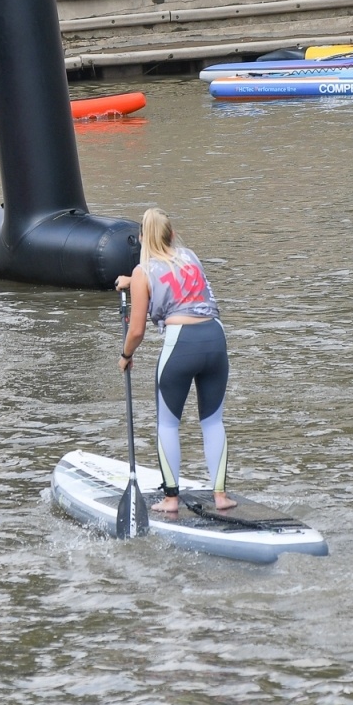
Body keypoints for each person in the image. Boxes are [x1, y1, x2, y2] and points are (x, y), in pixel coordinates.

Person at [115, 208, 235, 515]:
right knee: (212, 421)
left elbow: (137, 330)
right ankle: (220, 495)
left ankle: (170, 499)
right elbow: (173, 278)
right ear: (171, 235)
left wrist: (126, 356)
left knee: (168, 423)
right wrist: (131, 281)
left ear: (142, 239)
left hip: (181, 343)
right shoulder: (190, 256)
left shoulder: (143, 271)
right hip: (215, 339)